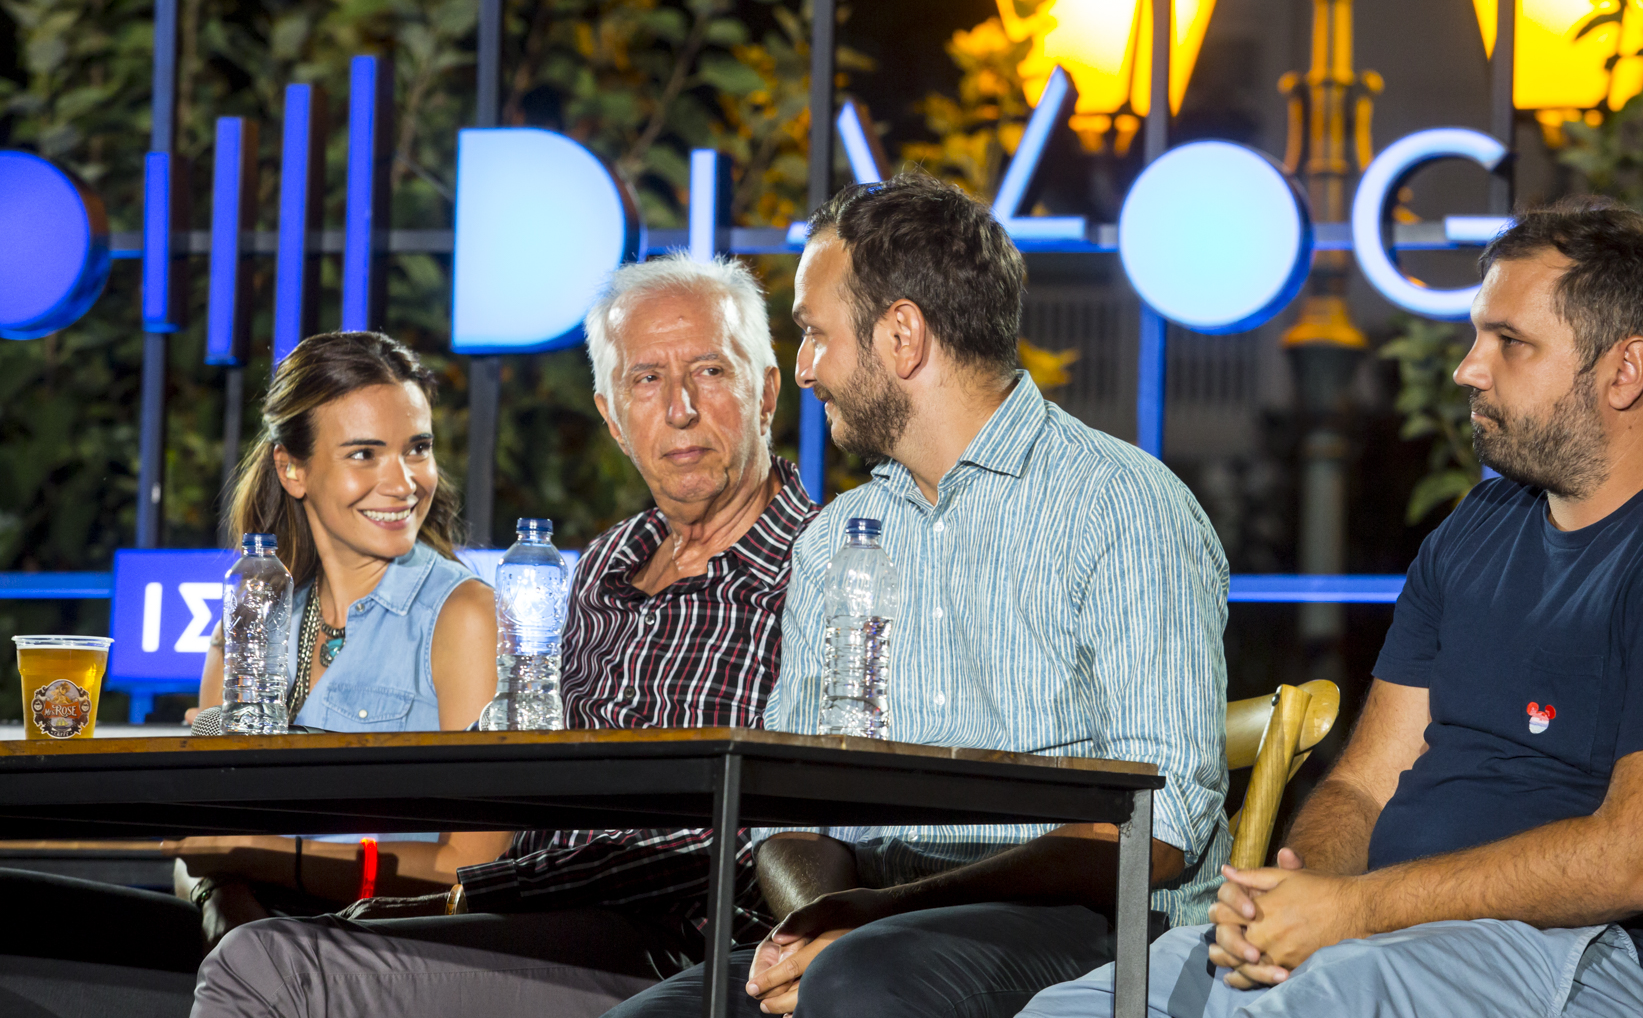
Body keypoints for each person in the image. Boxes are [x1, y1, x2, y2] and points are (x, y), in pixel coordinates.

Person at [1020, 200, 1643, 1018]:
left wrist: (1355, 912)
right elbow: (1362, 781)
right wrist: (1299, 894)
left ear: (1625, 370)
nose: (1468, 366)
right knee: (1090, 1001)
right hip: (1398, 938)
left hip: (1608, 962)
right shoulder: (1483, 523)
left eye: (1510, 343)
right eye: (1477, 337)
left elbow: (1638, 858)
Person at [609, 172, 1230, 1018]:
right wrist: (819, 918)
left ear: (901, 335)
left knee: (863, 982)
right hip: (874, 931)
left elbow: (1153, 830)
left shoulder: (1121, 506)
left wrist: (876, 917)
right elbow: (788, 810)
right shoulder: (839, 536)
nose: (803, 368)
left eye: (814, 333)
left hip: (1095, 928)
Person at [192, 253, 819, 1018]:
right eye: (646, 379)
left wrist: (464, 891)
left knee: (270, 965)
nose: (681, 407)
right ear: (612, 417)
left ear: (766, 393)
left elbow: (742, 844)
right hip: (542, 922)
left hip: (685, 950)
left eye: (712, 371)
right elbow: (514, 777)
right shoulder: (602, 565)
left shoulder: (820, 567)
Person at [0, 330, 500, 1016]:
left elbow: (472, 874)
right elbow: (201, 850)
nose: (404, 480)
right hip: (249, 936)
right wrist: (226, 903)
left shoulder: (462, 613)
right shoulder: (252, 612)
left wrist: (271, 860)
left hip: (388, 947)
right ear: (293, 469)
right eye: (365, 453)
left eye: (418, 446)